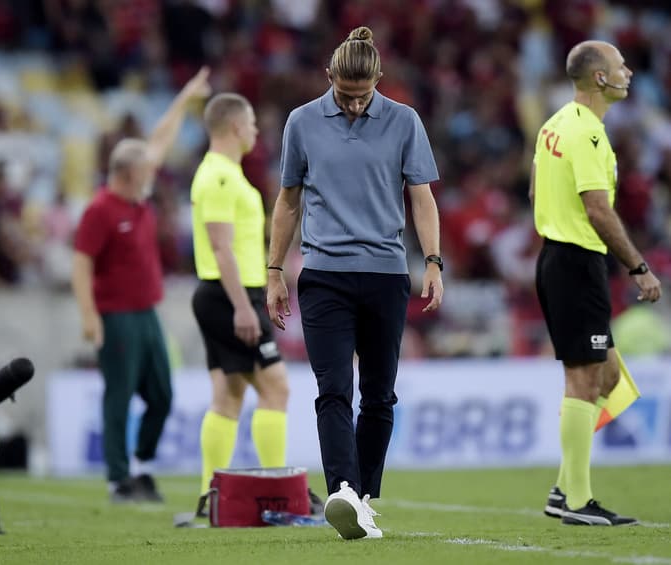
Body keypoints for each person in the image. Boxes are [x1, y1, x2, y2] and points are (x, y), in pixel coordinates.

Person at [265, 26, 443, 540]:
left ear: (379, 81)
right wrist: (275, 271)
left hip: (387, 275)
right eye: (344, 92)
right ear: (329, 78)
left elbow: (422, 197)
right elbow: (289, 200)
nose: (352, 101)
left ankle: (360, 500)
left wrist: (432, 261)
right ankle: (343, 489)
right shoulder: (301, 122)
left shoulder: (405, 121)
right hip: (323, 276)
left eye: (362, 94)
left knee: (380, 396)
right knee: (333, 389)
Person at [531, 40, 661, 526]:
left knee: (607, 378)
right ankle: (578, 501)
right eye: (620, 66)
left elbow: (534, 188)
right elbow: (597, 207)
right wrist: (638, 266)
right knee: (584, 380)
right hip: (576, 261)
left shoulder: (554, 125)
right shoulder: (586, 132)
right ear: (600, 79)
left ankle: (565, 489)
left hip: (558, 257)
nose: (628, 71)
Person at [72, 67, 210, 503]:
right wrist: (90, 316)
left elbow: (161, 139)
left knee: (163, 394)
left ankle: (143, 463)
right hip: (115, 316)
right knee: (119, 396)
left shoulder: (135, 196)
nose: (153, 176)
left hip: (147, 312)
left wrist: (186, 97)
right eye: (146, 173)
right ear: (128, 175)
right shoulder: (101, 210)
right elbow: (80, 264)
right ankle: (119, 479)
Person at [190, 93, 290, 494]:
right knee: (277, 388)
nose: (254, 130)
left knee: (228, 396)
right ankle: (281, 491)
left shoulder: (226, 172)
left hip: (226, 294)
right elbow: (220, 247)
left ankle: (208, 495)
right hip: (231, 296)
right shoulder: (217, 176)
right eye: (250, 123)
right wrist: (242, 307)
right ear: (234, 126)